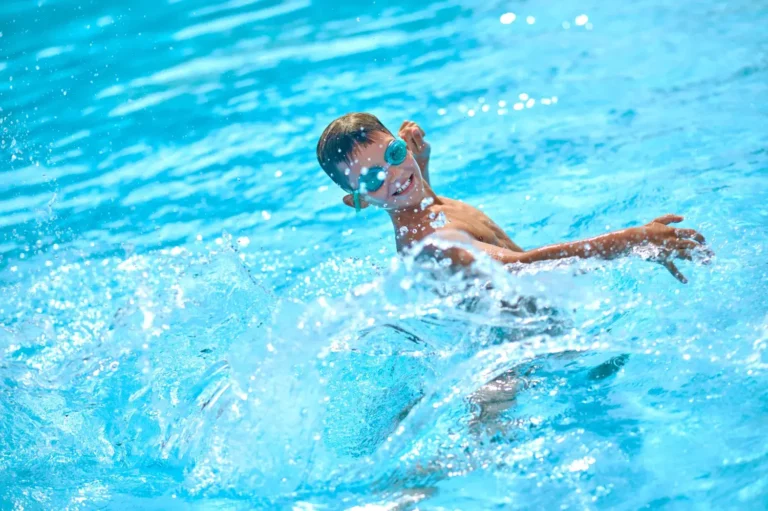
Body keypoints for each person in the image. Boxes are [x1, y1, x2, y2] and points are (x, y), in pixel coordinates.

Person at [316, 113, 710, 282]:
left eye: (394, 154)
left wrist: (421, 162)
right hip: (514, 350)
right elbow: (519, 268)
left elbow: (420, 200)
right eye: (372, 177)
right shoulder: (435, 242)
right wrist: (632, 240)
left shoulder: (418, 202)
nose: (394, 174)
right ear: (360, 201)